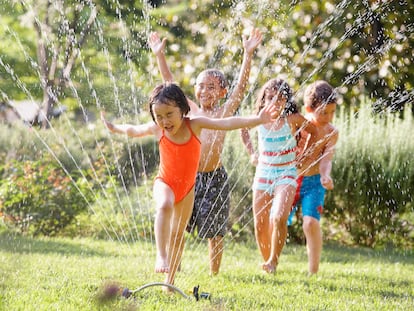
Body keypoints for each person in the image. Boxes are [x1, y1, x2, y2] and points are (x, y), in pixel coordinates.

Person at [101, 82, 277, 289]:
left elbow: (228, 122)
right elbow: (133, 130)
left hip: (187, 189)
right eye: (159, 116)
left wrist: (258, 119)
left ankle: (169, 282)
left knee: (177, 234)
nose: (164, 121)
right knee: (165, 204)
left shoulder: (195, 124)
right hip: (164, 182)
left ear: (182, 109)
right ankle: (161, 255)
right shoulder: (158, 130)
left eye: (169, 114)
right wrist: (115, 128)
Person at [149, 28, 262, 275]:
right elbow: (169, 86)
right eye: (200, 86)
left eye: (211, 87)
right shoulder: (189, 111)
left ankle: (214, 274)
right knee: (178, 228)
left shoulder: (223, 113)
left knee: (215, 229)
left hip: (214, 176)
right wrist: (160, 57)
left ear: (223, 92)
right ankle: (172, 269)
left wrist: (248, 54)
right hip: (186, 179)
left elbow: (241, 88)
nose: (204, 91)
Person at [240, 78, 317, 273]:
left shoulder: (293, 120)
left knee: (279, 217)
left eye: (280, 99)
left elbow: (314, 132)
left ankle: (274, 260)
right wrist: (252, 153)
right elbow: (243, 129)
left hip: (287, 172)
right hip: (264, 172)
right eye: (270, 97)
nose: (275, 102)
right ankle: (267, 262)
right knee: (260, 222)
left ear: (287, 101)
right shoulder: (258, 119)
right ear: (264, 99)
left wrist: (305, 155)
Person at [287, 80, 339, 275]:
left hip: (314, 182)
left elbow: (326, 159)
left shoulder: (331, 132)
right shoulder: (299, 125)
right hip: (291, 179)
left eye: (333, 112)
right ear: (309, 108)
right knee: (278, 220)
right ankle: (271, 261)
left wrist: (325, 175)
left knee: (310, 223)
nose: (329, 117)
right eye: (324, 112)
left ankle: (313, 271)